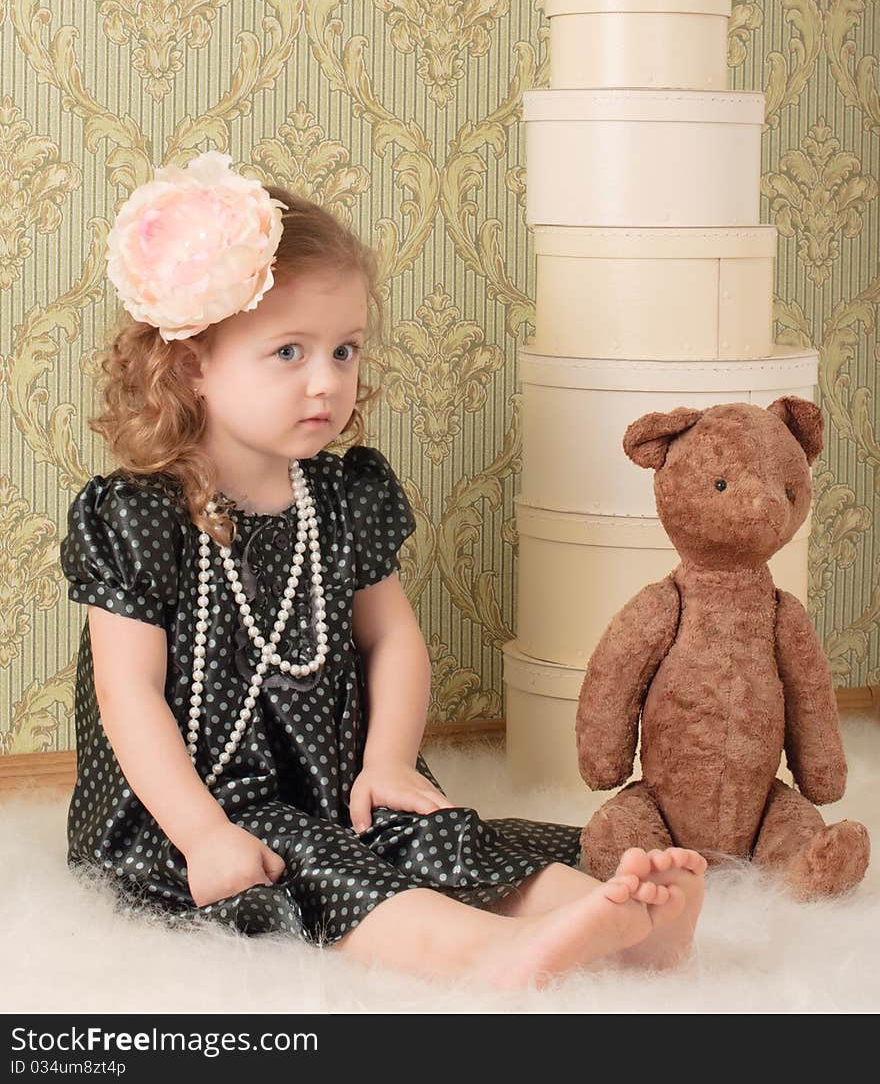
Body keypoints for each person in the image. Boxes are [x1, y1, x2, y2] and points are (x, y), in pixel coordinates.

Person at [59, 150, 706, 990]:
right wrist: (202, 832)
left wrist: (391, 759)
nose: (326, 381)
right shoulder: (138, 514)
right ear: (192, 364)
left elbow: (392, 634)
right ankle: (482, 953)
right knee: (321, 863)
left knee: (432, 831)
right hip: (202, 799)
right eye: (289, 351)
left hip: (341, 769)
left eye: (344, 350)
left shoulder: (342, 492)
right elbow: (127, 694)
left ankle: (617, 918)